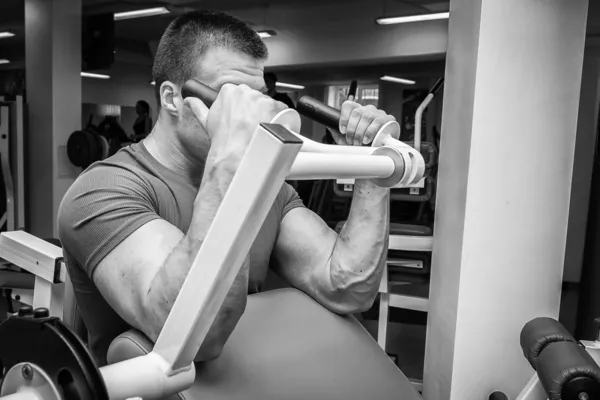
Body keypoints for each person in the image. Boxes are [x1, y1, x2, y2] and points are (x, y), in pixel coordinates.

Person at [57, 10, 395, 367]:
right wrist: (234, 160)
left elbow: (346, 286)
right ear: (172, 99)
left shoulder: (269, 190)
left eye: (259, 97)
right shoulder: (102, 190)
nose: (253, 112)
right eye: (233, 97)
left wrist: (372, 170)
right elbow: (194, 339)